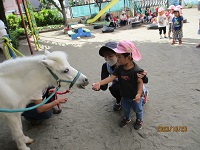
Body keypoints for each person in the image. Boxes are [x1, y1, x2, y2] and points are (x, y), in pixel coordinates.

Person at [92, 40, 146, 129]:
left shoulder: (136, 70)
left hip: (134, 94)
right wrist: (98, 84)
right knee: (125, 108)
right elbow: (110, 78)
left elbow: (141, 82)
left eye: (118, 56)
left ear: (128, 57)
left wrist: (139, 93)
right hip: (124, 94)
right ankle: (126, 118)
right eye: (105, 57)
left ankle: (139, 119)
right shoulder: (118, 68)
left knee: (138, 109)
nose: (116, 59)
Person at [98, 42, 148, 111]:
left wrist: (143, 75)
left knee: (137, 107)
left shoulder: (128, 65)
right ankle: (119, 100)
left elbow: (145, 80)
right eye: (105, 57)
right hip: (120, 85)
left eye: (110, 56)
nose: (107, 59)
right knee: (114, 88)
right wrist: (98, 85)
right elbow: (104, 85)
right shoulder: (106, 66)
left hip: (132, 85)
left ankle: (143, 94)